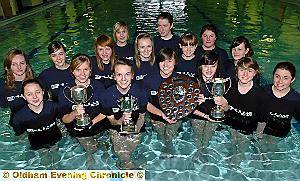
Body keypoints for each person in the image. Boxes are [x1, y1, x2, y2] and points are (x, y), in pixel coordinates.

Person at [214, 57, 266, 164]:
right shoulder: (229, 86)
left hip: (247, 130)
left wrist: (259, 135)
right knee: (232, 146)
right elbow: (223, 108)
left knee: (240, 152)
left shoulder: (260, 94)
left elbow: (263, 117)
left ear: (255, 73)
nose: (245, 74)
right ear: (236, 71)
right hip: (231, 125)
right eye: (242, 70)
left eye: (250, 71)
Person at [102, 58, 148, 169]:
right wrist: (121, 121)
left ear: (132, 75)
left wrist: (136, 129)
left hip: (136, 126)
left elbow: (142, 116)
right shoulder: (107, 95)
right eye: (119, 75)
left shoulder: (141, 92)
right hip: (116, 128)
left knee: (131, 149)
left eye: (127, 74)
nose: (123, 79)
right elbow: (112, 121)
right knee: (123, 155)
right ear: (114, 76)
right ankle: (128, 167)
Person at [58, 54, 108, 153]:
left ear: (90, 71)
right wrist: (74, 113)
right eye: (78, 70)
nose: (82, 74)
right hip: (78, 131)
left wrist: (92, 122)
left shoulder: (99, 87)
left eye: (85, 69)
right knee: (92, 151)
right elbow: (64, 119)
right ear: (72, 71)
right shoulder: (65, 91)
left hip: (98, 126)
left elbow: (106, 111)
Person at [190, 51, 228, 162]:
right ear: (200, 66)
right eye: (206, 66)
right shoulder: (193, 82)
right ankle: (198, 152)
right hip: (197, 114)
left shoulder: (222, 82)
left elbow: (227, 108)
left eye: (213, 66)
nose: (209, 70)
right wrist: (195, 102)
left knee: (207, 136)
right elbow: (187, 109)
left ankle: (204, 150)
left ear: (217, 67)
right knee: (198, 135)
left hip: (214, 116)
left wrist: (224, 102)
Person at [143, 48, 181, 155]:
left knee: (169, 137)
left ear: (175, 62)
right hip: (156, 116)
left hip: (175, 117)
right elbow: (144, 103)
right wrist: (161, 114)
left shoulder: (181, 81)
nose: (165, 64)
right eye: (162, 60)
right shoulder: (148, 80)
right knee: (161, 135)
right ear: (158, 62)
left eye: (169, 61)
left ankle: (169, 146)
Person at [12, 79, 62, 150]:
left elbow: (62, 119)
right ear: (23, 97)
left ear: (43, 92)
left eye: (38, 92)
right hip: (37, 145)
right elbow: (19, 133)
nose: (34, 97)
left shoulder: (54, 107)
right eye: (29, 94)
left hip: (56, 139)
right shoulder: (19, 117)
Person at [256, 62, 300, 138]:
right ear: (273, 76)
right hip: (260, 131)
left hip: (280, 135)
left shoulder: (296, 100)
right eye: (277, 76)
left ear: (292, 80)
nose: (280, 81)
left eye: (285, 78)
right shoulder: (262, 92)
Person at [0, 49, 34, 126]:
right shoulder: (2, 86)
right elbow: (3, 105)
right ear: (7, 67)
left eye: (22, 63)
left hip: (38, 118)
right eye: (14, 64)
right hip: (17, 122)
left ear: (26, 64)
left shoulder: (36, 83)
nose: (19, 67)